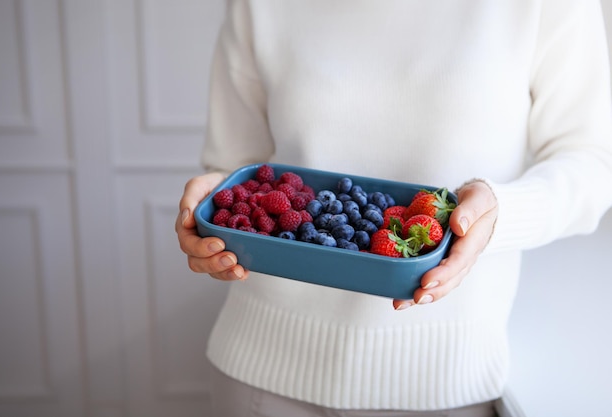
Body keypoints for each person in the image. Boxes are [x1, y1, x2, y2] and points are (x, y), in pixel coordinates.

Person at [176, 1, 612, 416]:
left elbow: (594, 161)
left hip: (445, 381)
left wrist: (502, 211)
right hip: (261, 370)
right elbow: (237, 167)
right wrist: (213, 209)